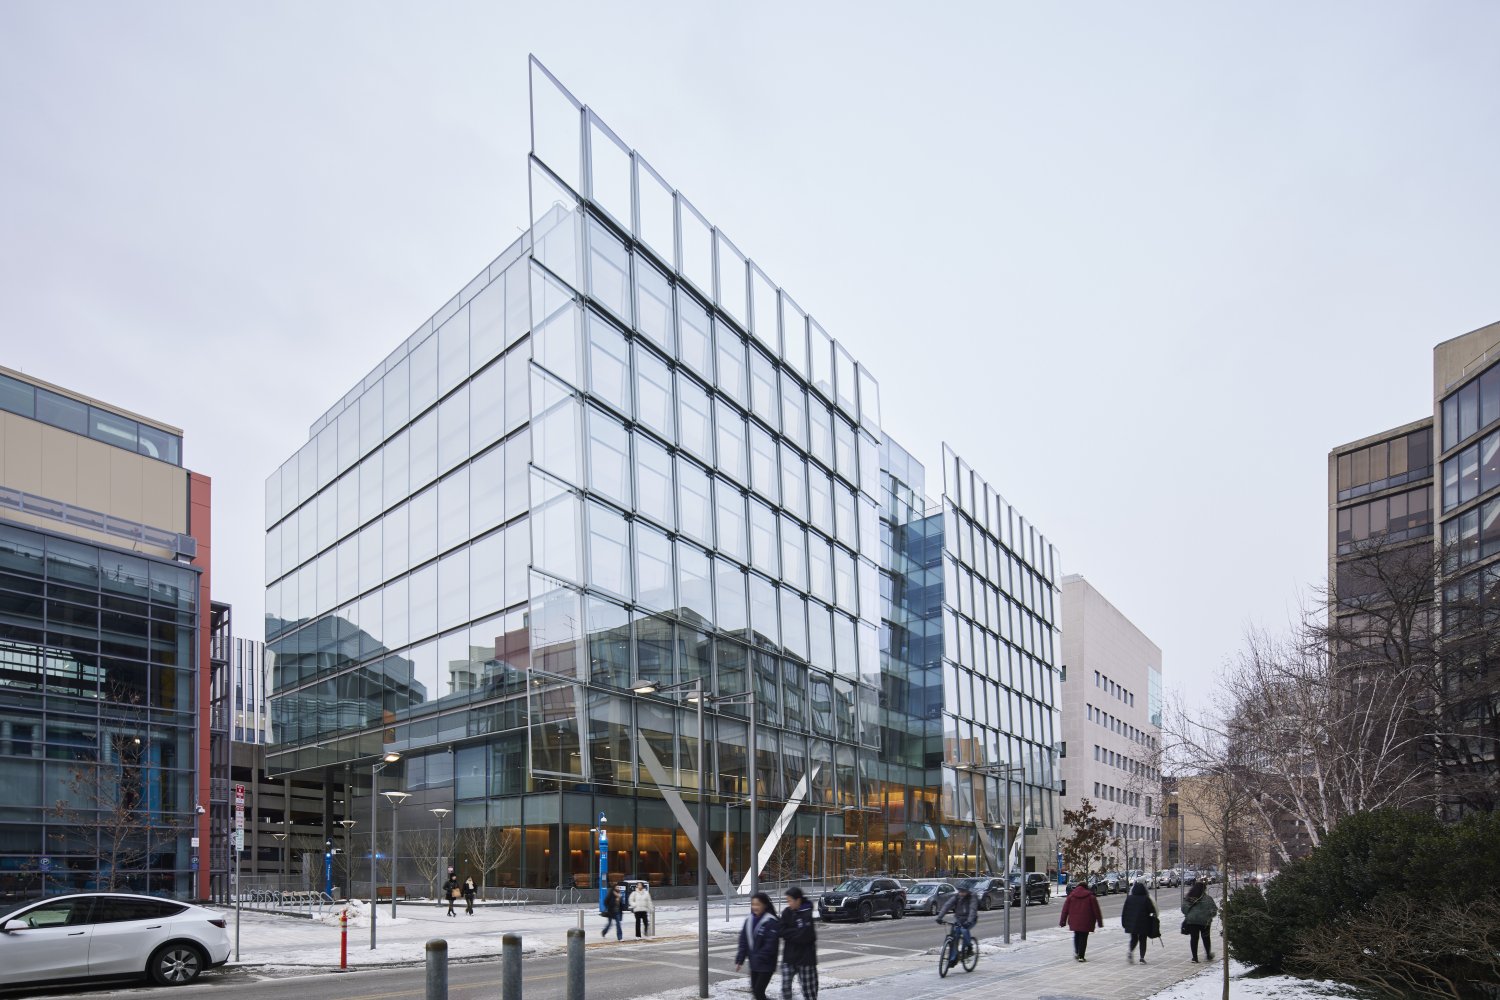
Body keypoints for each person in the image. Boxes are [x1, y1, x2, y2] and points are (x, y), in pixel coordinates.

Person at [736, 891, 782, 1000]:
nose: (755, 907)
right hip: (754, 964)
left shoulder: (771, 921)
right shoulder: (749, 920)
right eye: (753, 904)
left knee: (758, 992)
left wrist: (758, 957)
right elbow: (743, 941)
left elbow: (771, 944)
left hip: (767, 964)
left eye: (758, 904)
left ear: (764, 905)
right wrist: (740, 959)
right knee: (756, 992)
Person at [780, 886, 818, 1000]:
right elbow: (781, 931)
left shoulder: (807, 913)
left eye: (790, 900)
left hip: (806, 958)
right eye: (787, 901)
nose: (789, 903)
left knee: (809, 990)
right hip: (789, 957)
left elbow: (806, 936)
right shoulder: (787, 912)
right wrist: (797, 931)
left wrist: (789, 933)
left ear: (798, 900)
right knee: (785, 987)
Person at [1059, 878, 1104, 962]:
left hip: (1074, 921)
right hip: (1087, 921)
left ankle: (1077, 952)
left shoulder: (1071, 896)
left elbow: (1065, 910)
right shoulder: (1091, 897)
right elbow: (1096, 910)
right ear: (1086, 887)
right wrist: (1100, 922)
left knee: (1077, 935)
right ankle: (1081, 956)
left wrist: (1062, 921)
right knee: (1084, 937)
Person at [933, 884, 979, 966]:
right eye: (960, 891)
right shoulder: (956, 897)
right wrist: (939, 917)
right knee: (954, 936)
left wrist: (969, 921)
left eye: (963, 892)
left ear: (967, 891)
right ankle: (953, 959)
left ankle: (969, 947)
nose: (961, 893)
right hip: (959, 919)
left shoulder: (972, 897)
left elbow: (972, 909)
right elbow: (947, 905)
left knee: (964, 930)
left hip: (970, 919)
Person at [1120, 880, 1159, 964]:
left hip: (1132, 923)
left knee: (1134, 939)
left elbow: (1125, 912)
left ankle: (1130, 951)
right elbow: (1152, 910)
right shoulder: (1146, 899)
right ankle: (1142, 958)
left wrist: (1124, 923)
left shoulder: (1129, 898)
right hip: (1143, 923)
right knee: (1143, 940)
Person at [1181, 879, 1218, 963]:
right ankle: (1208, 955)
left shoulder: (1189, 898)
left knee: (1194, 938)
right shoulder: (1208, 899)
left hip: (1192, 921)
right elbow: (1214, 911)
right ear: (1204, 889)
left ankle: (1195, 958)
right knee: (1206, 938)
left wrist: (1189, 914)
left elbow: (1183, 909)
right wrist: (1209, 916)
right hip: (1205, 922)